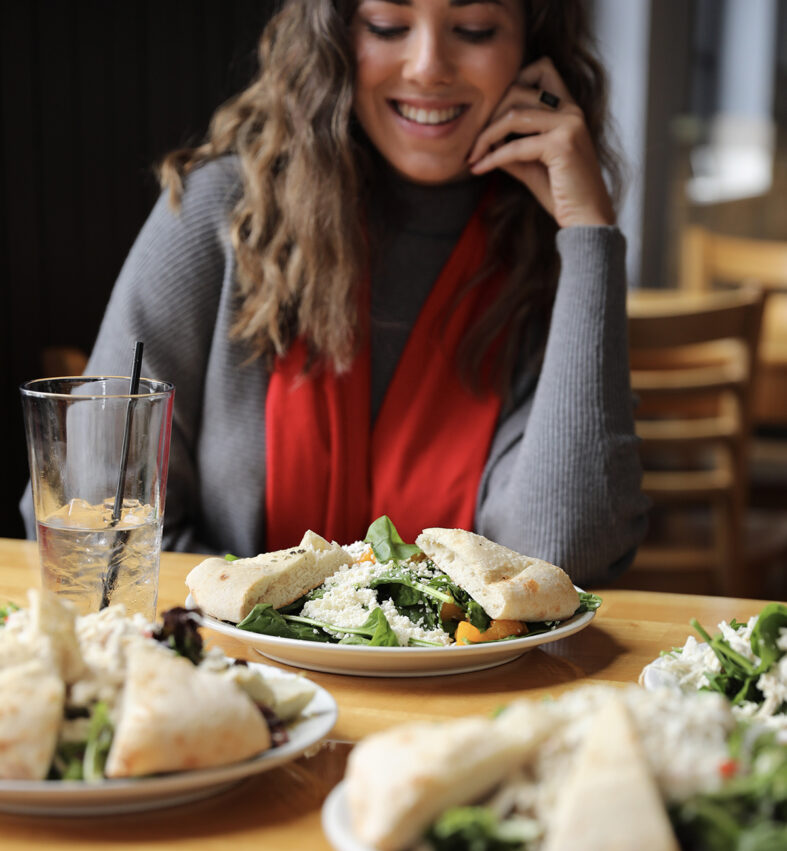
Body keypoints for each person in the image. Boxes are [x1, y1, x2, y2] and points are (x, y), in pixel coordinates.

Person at [25, 0, 649, 585]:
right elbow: (83, 517)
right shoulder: (225, 212)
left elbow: (563, 557)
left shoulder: (549, 255)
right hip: (224, 657)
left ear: (531, 48)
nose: (428, 66)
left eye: (475, 29)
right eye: (387, 25)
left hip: (473, 668)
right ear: (335, 39)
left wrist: (589, 235)